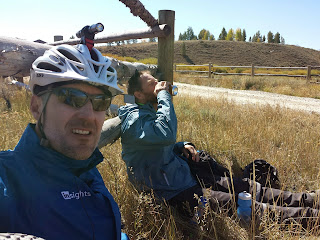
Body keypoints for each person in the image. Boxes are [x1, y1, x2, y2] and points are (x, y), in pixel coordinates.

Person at [118, 70, 320, 228]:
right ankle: (312, 218)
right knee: (242, 204)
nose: (158, 85)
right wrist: (164, 96)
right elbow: (164, 134)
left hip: (183, 177)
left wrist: (181, 145)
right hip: (172, 192)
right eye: (152, 84)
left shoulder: (146, 112)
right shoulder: (134, 118)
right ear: (138, 94)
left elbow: (159, 143)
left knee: (245, 187)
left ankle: (309, 199)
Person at [0, 44, 129, 240]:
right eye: (71, 98)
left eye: (100, 102)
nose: (89, 116)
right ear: (36, 107)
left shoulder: (87, 166)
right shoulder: (7, 180)